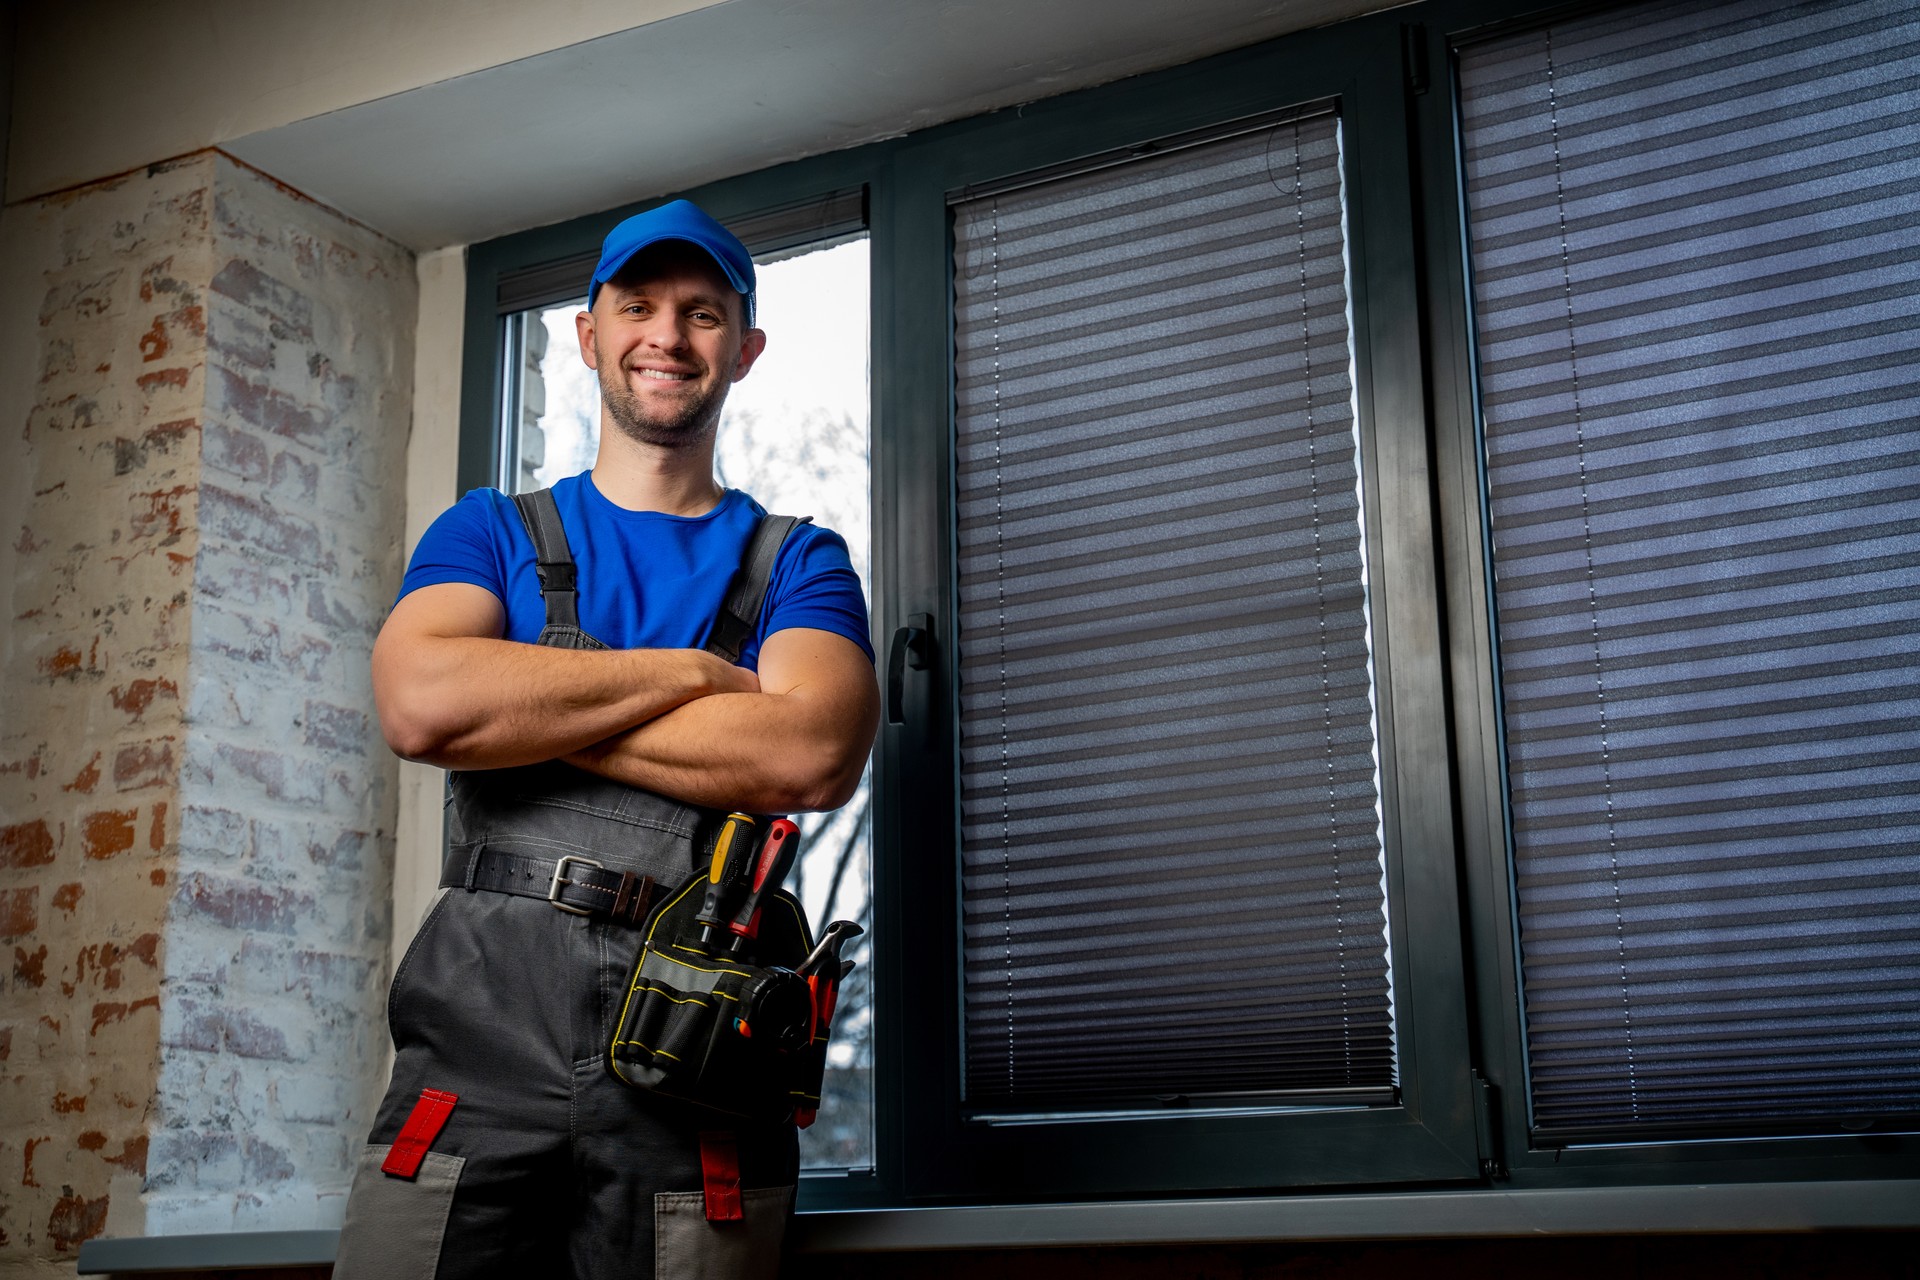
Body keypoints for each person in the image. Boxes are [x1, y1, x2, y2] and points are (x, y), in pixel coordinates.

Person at [331, 200, 880, 1279]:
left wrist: (521, 716)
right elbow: (419, 707)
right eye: (637, 306)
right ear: (588, 335)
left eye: (702, 313)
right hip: (474, 1051)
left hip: (703, 1062)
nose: (666, 337)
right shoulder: (489, 529)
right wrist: (690, 676)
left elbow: (810, 751)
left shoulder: (799, 561)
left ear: (745, 348)